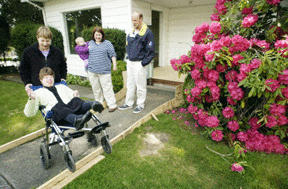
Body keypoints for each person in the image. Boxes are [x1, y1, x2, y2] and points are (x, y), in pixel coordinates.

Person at [24, 67, 104, 130]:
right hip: (58, 116)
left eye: (51, 77)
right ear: (41, 80)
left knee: (76, 100)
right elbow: (29, 113)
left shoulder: (61, 86)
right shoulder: (38, 92)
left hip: (71, 109)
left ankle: (94, 104)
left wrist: (75, 94)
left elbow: (74, 99)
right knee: (58, 106)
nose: (49, 79)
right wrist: (32, 99)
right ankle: (76, 120)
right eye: (46, 78)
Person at [118, 12, 155, 114]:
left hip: (139, 63)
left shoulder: (147, 33)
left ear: (141, 19)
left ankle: (140, 104)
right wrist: (128, 58)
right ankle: (129, 103)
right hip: (130, 62)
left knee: (140, 85)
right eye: (132, 20)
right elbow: (128, 46)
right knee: (130, 84)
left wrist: (143, 63)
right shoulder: (131, 32)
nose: (133, 22)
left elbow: (151, 51)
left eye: (135, 20)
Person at [19, 26, 67, 98]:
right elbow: (23, 69)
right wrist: (27, 83)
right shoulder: (28, 52)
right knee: (46, 108)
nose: (45, 44)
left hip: (56, 85)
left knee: (62, 106)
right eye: (42, 40)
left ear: (51, 39)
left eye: (47, 41)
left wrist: (63, 77)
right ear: (37, 38)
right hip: (37, 86)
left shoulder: (57, 52)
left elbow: (63, 66)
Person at [87, 26, 118, 112]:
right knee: (96, 89)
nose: (98, 37)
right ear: (93, 35)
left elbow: (113, 54)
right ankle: (99, 105)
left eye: (99, 35)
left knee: (107, 88)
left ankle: (112, 105)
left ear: (102, 35)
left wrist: (114, 65)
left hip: (104, 71)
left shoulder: (107, 43)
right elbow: (81, 50)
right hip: (92, 71)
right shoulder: (90, 43)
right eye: (96, 35)